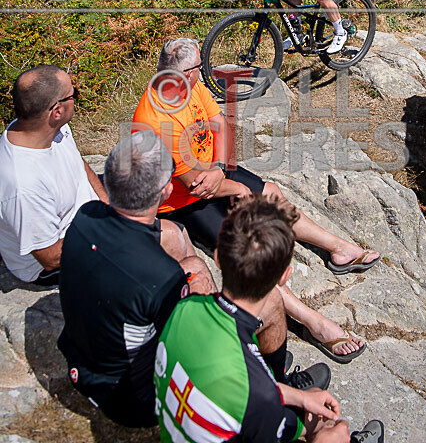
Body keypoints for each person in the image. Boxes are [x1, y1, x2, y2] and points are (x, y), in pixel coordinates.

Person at [133, 38, 381, 364]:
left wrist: (222, 172)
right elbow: (194, 185)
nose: (202, 72)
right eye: (199, 68)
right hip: (184, 203)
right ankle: (313, 323)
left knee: (272, 192)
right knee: (247, 255)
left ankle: (336, 248)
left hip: (215, 174)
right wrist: (232, 188)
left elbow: (220, 124)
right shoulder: (155, 118)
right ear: (185, 72)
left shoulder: (190, 87)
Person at [154, 194, 385, 443]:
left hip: (195, 415)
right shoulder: (262, 406)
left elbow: (242, 387)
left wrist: (299, 398)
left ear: (218, 258)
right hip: (245, 416)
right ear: (285, 276)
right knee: (325, 429)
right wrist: (324, 436)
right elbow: (252, 395)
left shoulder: (185, 307)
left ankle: (281, 379)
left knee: (273, 303)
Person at [58, 130, 216, 427]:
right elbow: (184, 341)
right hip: (130, 399)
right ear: (166, 191)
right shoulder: (161, 279)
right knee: (196, 272)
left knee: (181, 252)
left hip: (78, 361)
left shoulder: (86, 215)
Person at [0, 65, 107, 286]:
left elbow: (79, 165)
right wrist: (112, 233)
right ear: (57, 110)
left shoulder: (46, 128)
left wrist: (109, 207)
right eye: (73, 94)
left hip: (89, 219)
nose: (76, 97)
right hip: (53, 263)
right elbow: (50, 257)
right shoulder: (23, 185)